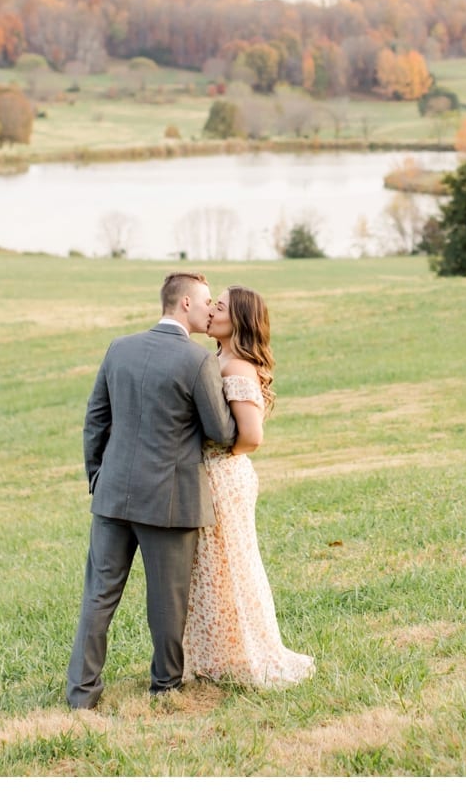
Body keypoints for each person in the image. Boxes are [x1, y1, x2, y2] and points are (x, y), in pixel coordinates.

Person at [65, 271, 237, 709]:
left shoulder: (119, 348)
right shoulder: (196, 361)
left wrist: (98, 477)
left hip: (113, 494)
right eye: (205, 302)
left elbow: (95, 420)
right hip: (170, 500)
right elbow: (220, 430)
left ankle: (82, 695)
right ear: (184, 305)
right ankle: (165, 687)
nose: (209, 309)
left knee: (98, 596)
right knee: (167, 601)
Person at [182, 285, 315, 688]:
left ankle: (252, 655)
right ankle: (217, 655)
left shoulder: (236, 367)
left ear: (236, 319)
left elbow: (252, 437)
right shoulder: (217, 357)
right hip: (211, 475)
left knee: (232, 567)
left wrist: (217, 456)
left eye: (218, 307)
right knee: (210, 570)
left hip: (225, 476)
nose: (211, 312)